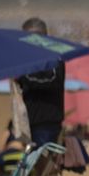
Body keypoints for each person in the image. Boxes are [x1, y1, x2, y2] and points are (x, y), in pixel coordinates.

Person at [16, 17, 66, 146]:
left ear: (44, 35)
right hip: (30, 122)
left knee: (44, 162)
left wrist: (23, 77)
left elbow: (53, 80)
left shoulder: (54, 56)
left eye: (33, 37)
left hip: (47, 122)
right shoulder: (27, 59)